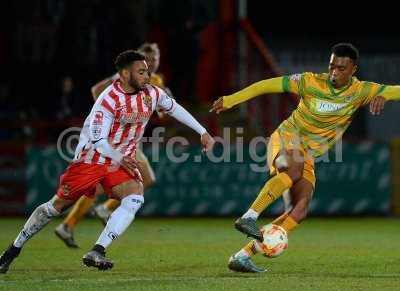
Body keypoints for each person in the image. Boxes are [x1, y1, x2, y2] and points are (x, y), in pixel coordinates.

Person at [0, 50, 215, 273]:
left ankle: (97, 250)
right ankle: (12, 251)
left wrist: (203, 132)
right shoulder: (108, 100)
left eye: (147, 71)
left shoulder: (151, 93)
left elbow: (175, 108)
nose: (147, 76)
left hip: (120, 161)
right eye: (141, 72)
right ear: (123, 74)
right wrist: (121, 157)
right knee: (55, 208)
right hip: (92, 159)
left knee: (134, 197)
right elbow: (98, 140)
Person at [210, 43, 400, 273]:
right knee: (294, 168)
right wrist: (231, 99)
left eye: (341, 68)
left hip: (306, 155)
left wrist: (384, 96)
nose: (334, 73)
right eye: (332, 67)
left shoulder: (361, 91)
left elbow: (396, 91)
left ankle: (242, 255)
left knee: (299, 210)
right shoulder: (309, 81)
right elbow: (266, 85)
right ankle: (249, 216)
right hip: (285, 140)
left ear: (353, 70)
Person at [54, 42, 170, 248]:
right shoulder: (127, 77)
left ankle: (71, 223)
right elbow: (96, 90)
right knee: (129, 180)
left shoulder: (156, 81)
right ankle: (95, 213)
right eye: (149, 58)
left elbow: (162, 113)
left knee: (126, 181)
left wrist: (164, 103)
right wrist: (109, 116)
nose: (153, 62)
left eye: (156, 58)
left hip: (131, 141)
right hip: (115, 141)